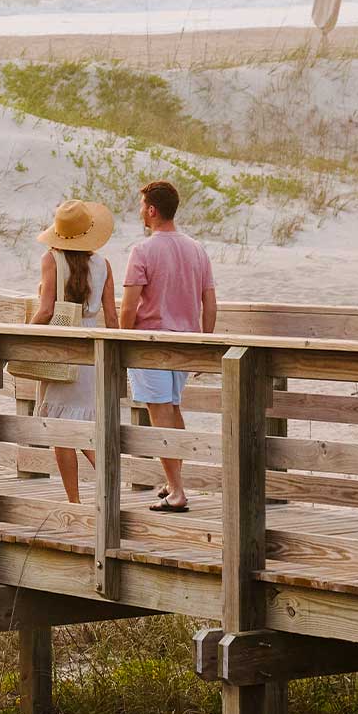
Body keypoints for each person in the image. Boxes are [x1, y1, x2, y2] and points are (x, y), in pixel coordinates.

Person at [121, 179, 216, 512]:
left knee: (160, 413)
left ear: (151, 210)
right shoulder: (196, 248)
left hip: (152, 343)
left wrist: (122, 340)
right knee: (172, 410)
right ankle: (174, 481)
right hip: (187, 341)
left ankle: (177, 491)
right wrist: (205, 343)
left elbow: (129, 306)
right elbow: (210, 303)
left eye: (141, 205)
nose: (139, 212)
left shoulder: (143, 250)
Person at [17, 199, 116, 504]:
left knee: (62, 432)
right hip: (91, 354)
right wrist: (113, 359)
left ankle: (74, 501)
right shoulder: (103, 265)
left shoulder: (51, 259)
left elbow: (46, 310)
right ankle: (110, 491)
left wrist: (23, 337)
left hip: (62, 350)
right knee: (86, 427)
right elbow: (112, 318)